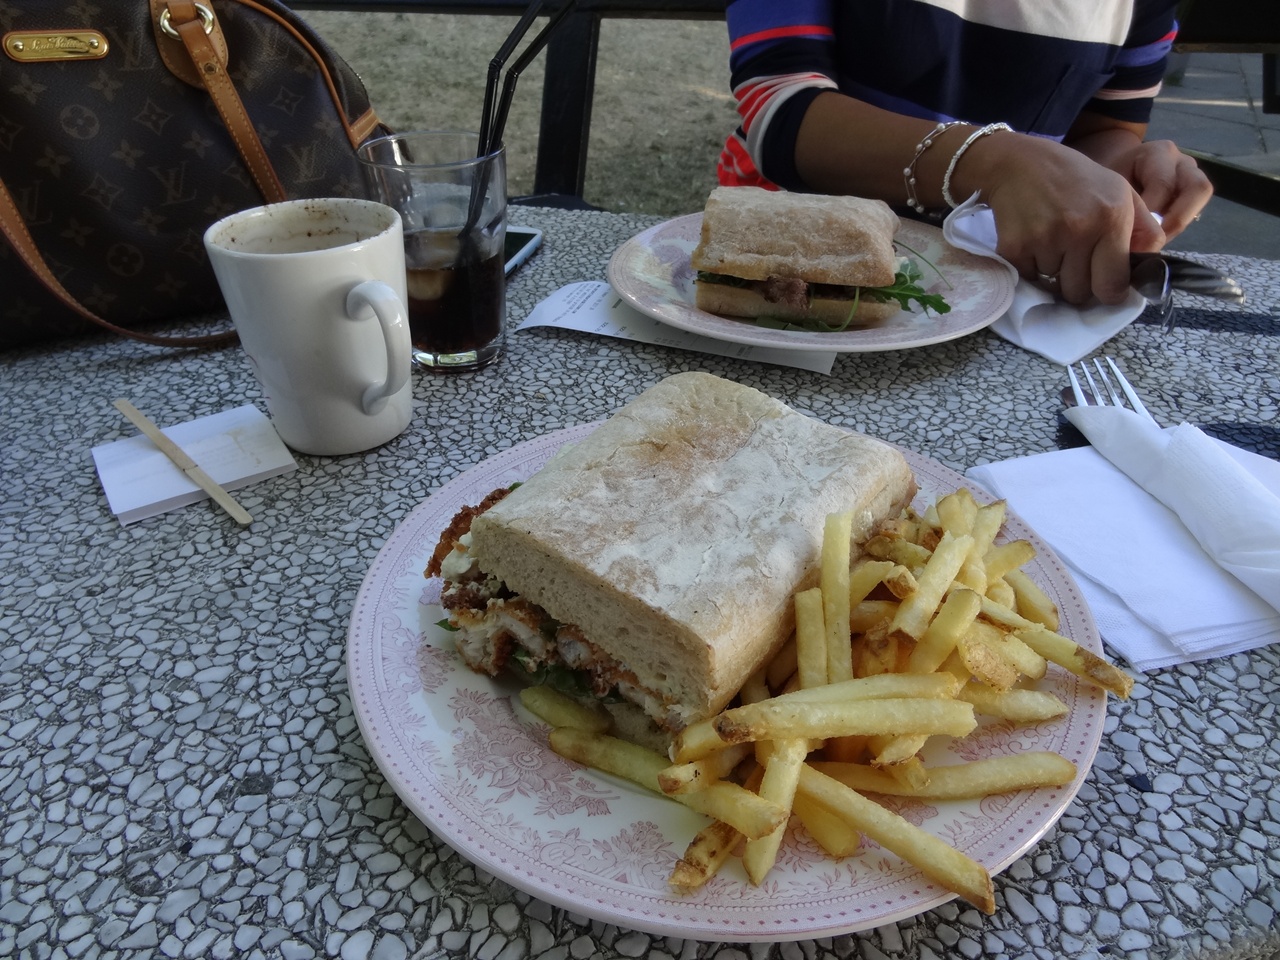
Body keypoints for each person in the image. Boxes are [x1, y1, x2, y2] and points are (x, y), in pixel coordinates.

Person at [718, 0, 1214, 307]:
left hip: (1003, 283)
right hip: (786, 253)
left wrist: (1120, 174)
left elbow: (1106, 127)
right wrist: (996, 164)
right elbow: (779, 107)